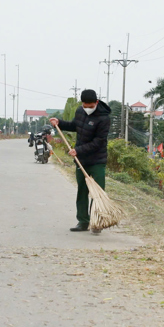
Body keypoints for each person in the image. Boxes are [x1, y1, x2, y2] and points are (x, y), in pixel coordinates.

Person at [50, 89, 111, 234]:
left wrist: (79, 150)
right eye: (85, 106)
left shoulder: (104, 118)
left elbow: (99, 141)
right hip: (81, 160)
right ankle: (83, 221)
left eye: (90, 106)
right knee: (82, 191)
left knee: (97, 192)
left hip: (97, 160)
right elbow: (75, 126)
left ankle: (97, 222)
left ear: (96, 102)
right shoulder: (80, 111)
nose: (87, 109)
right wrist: (60, 123)